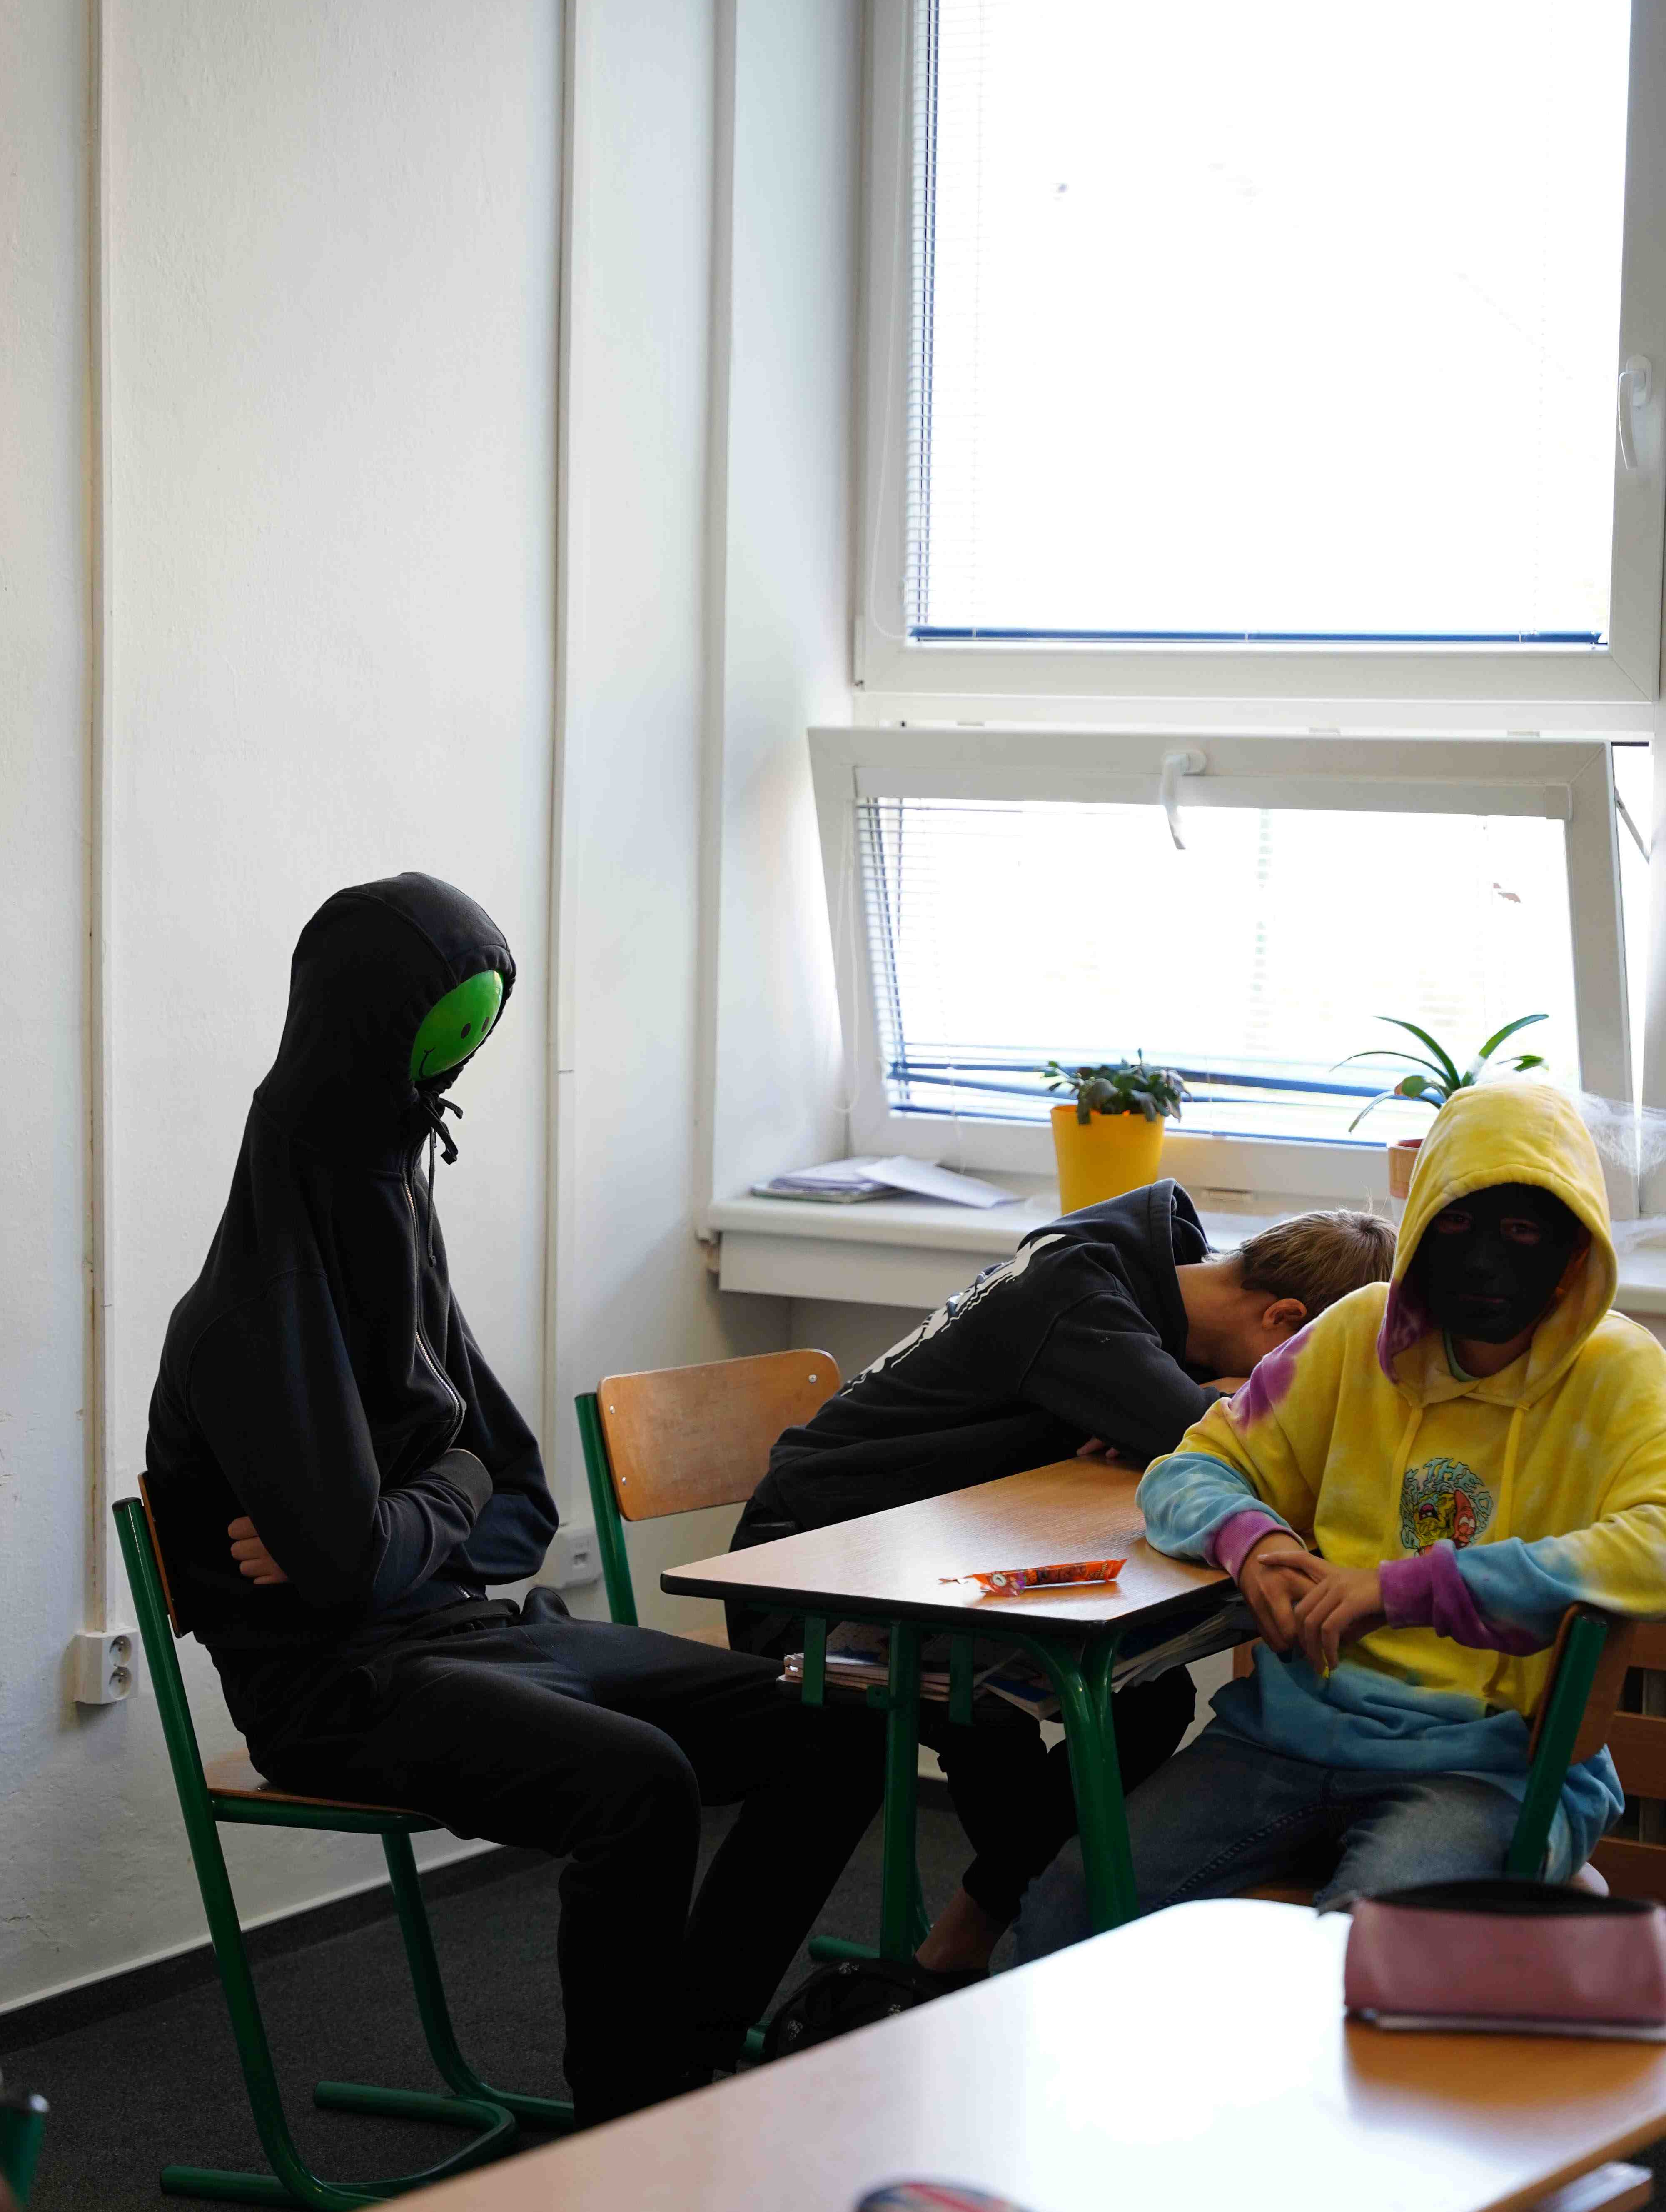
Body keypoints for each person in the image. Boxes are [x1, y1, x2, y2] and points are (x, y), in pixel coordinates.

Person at [146, 873, 883, 2128]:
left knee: (834, 1728)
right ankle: (625, 2118)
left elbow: (518, 1502)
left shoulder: (397, 1239)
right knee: (638, 1784)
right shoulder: (245, 1321)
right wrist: (437, 1491)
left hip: (475, 1633)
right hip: (334, 1691)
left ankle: (679, 2059)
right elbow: (356, 1570)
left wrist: (412, 1510)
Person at [1014, 1080, 1666, 1960]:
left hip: (1488, 1767)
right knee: (1071, 1907)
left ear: (1572, 1248)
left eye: (1521, 1232)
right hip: (1282, 1735)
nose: (1483, 1263)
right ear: (1420, 1224)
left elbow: (1656, 1543)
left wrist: (1405, 1589)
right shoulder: (1355, 1334)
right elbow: (1188, 1470)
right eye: (1455, 1224)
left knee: (1371, 1965)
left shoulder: (1620, 1371)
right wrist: (1253, 1542)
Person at [729, 1185, 1395, 1975]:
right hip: (810, 1566)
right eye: (1301, 1377)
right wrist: (1208, 1407)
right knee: (1030, 1723)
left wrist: (1182, 1405)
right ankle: (1002, 1944)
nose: (1298, 1400)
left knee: (1144, 1700)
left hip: (937, 1563)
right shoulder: (1076, 1301)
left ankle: (968, 1946)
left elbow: (1187, 1433)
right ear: (1282, 1320)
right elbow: (1230, 1453)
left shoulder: (1150, 1287)